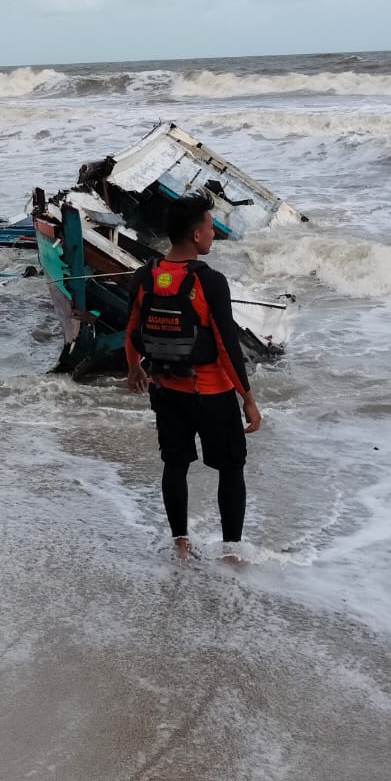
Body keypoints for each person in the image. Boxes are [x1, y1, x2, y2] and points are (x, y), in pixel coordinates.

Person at [126, 192, 262, 561]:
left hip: (166, 388)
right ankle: (231, 549)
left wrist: (133, 367)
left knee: (176, 464)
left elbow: (132, 329)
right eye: (210, 228)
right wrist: (247, 397)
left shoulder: (146, 275)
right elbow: (225, 344)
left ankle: (181, 544)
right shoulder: (210, 281)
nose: (214, 235)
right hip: (212, 392)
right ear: (196, 235)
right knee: (231, 467)